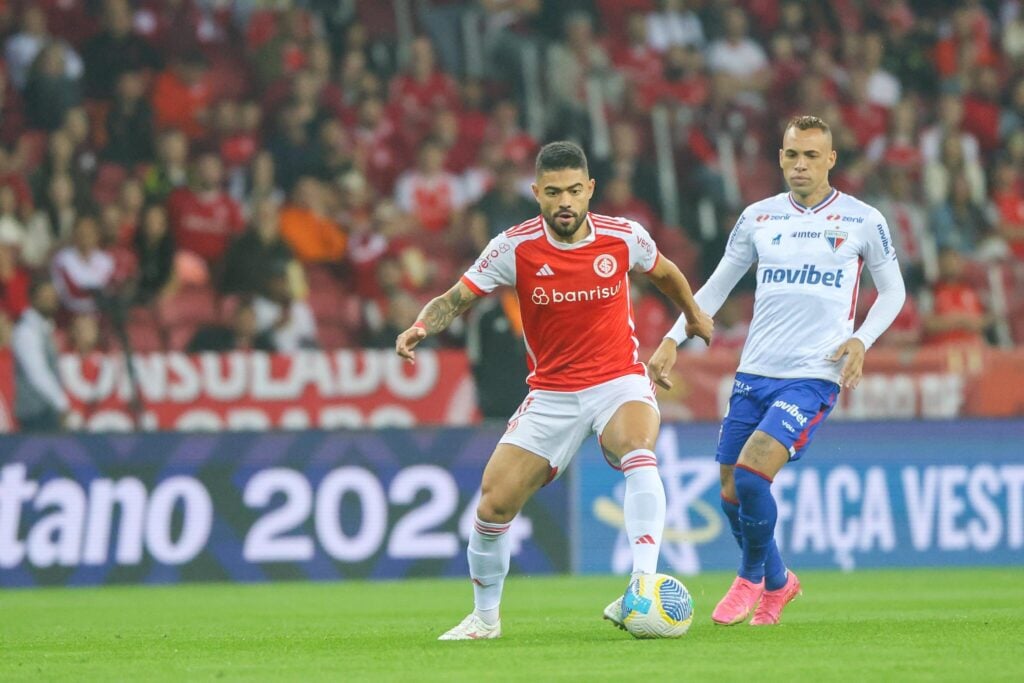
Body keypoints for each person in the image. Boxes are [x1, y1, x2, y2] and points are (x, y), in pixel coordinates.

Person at [395, 141, 713, 640]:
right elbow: (457, 297)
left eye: (572, 191)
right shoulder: (513, 247)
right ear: (536, 193)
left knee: (637, 449)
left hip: (617, 379)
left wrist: (692, 315)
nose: (564, 202)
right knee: (492, 505)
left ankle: (643, 583)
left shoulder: (623, 237)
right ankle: (485, 619)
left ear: (589, 190)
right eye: (552, 192)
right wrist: (420, 326)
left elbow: (668, 274)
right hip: (552, 394)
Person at [648, 116, 906, 627]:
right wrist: (672, 339)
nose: (800, 165)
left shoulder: (861, 220)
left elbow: (893, 291)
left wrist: (861, 339)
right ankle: (781, 581)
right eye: (792, 155)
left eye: (811, 156)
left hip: (814, 373)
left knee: (750, 474)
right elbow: (716, 287)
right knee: (728, 491)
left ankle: (748, 579)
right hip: (755, 371)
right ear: (781, 157)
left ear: (831, 159)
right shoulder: (758, 218)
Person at [12, 279, 69, 432]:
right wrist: (61, 403)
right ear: (33, 299)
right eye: (46, 297)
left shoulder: (45, 328)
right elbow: (37, 372)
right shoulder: (26, 331)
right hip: (35, 412)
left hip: (46, 409)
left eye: (53, 297)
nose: (51, 301)